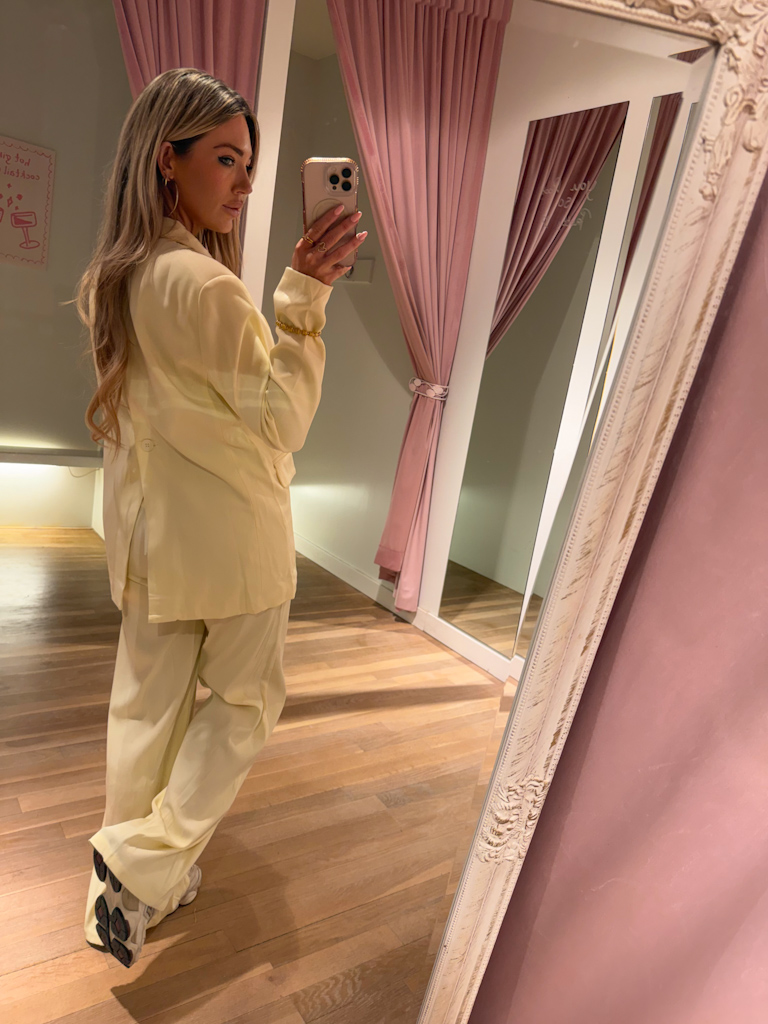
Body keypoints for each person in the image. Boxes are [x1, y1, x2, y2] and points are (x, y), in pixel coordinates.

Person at [75, 67, 367, 969]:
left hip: (150, 537)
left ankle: (120, 896)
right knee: (245, 705)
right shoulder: (207, 286)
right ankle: (139, 862)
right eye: (227, 159)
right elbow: (280, 421)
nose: (244, 184)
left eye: (249, 163)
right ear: (168, 160)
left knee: (145, 713)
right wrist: (304, 300)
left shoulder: (118, 277)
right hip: (236, 540)